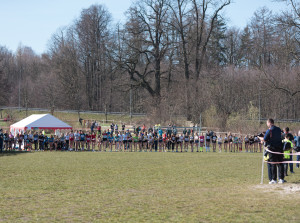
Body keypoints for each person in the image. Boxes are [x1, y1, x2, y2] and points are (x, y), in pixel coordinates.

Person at [259, 118, 285, 184]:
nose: (267, 124)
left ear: (269, 123)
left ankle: (274, 179)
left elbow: (264, 139)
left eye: (267, 123)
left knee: (273, 164)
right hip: (279, 148)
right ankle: (281, 179)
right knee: (280, 163)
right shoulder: (279, 129)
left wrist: (259, 138)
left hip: (272, 149)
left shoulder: (269, 130)